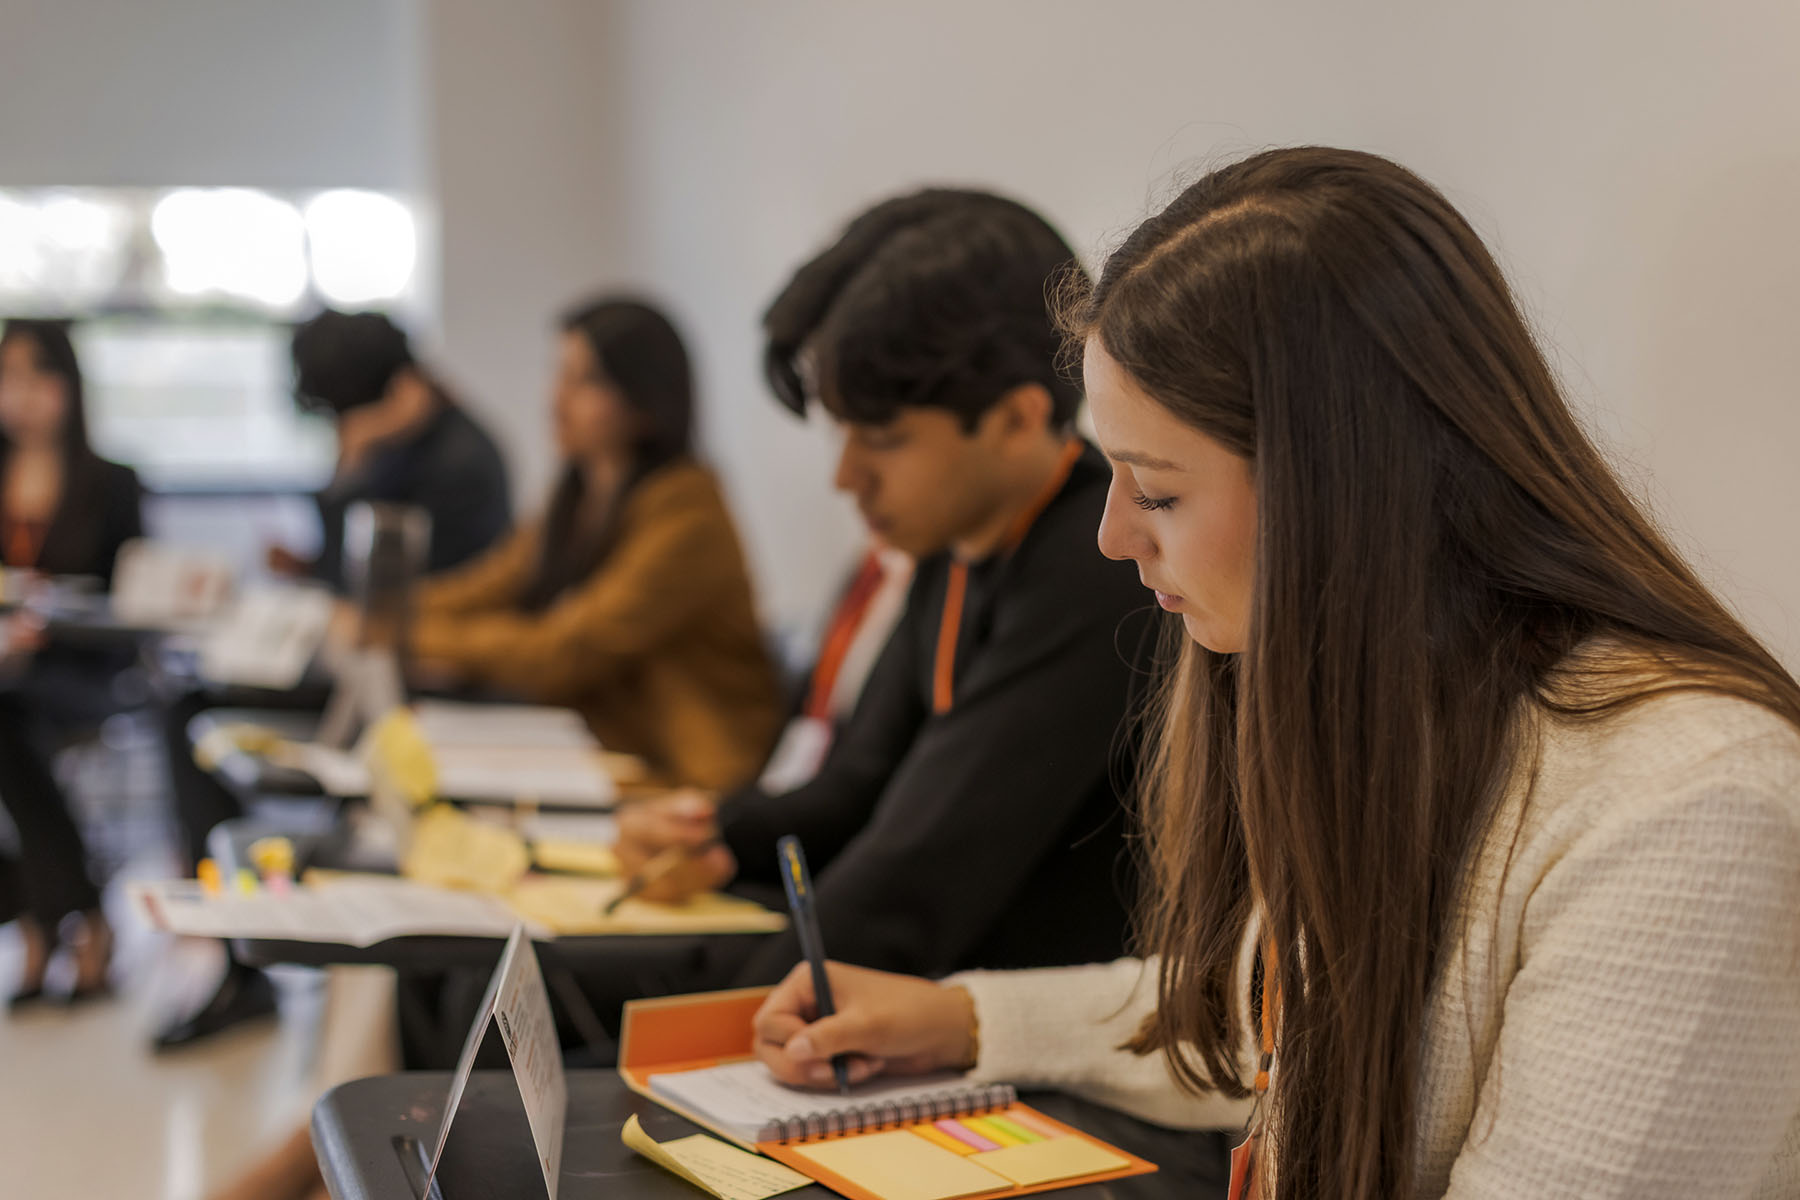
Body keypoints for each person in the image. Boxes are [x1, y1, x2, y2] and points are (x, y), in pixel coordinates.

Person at [749, 149, 1800, 1200]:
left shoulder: (1691, 807)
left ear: (1339, 492)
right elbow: (1275, 1016)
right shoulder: (1408, 697)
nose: (1113, 537)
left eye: (1156, 492)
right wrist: (967, 1020)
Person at [613, 189, 1157, 994]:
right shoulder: (959, 545)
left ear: (1016, 418)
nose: (845, 477)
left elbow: (918, 873)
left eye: (883, 439)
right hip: (938, 979)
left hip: (1021, 1023)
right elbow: (861, 786)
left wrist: (705, 1037)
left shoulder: (1095, 569)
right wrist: (713, 833)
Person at [153, 310, 516, 1047]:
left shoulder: (458, 461)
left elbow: (404, 605)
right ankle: (240, 948)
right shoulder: (400, 439)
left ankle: (249, 957)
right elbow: (345, 575)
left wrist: (351, 477)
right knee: (189, 699)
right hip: (371, 667)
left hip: (428, 683)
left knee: (191, 708)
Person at [402, 294, 783, 789]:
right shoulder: (580, 494)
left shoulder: (689, 512)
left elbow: (564, 651)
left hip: (689, 782)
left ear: (646, 399)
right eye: (559, 374)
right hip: (606, 758)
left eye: (586, 381)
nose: (556, 400)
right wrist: (390, 613)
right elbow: (487, 586)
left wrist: (400, 632)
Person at [0, 318, 143, 1004]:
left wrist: (48, 622)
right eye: (9, 377)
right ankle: (78, 914)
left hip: (84, 669)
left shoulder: (111, 481)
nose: (22, 394)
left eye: (37, 375)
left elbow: (134, 602)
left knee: (6, 719)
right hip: (9, 671)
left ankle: (40, 919)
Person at [270, 308, 512, 588]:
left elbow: (367, 581)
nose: (342, 428)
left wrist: (355, 458)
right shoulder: (411, 441)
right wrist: (309, 565)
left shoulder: (452, 464)